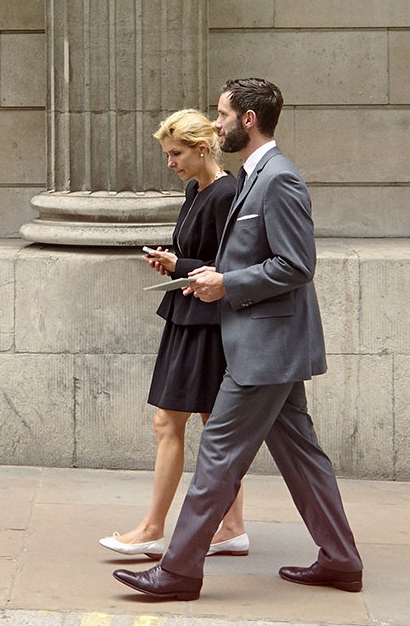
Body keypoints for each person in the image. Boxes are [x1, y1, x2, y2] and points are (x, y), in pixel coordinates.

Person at [113, 78, 364, 601]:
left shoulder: (279, 179)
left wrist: (226, 283)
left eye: (223, 114)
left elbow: (297, 265)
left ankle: (178, 571)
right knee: (303, 458)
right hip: (268, 345)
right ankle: (341, 560)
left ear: (249, 120)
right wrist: (199, 273)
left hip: (266, 349)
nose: (218, 122)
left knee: (219, 454)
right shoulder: (255, 177)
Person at [99, 109, 248, 560]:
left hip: (206, 320)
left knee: (172, 422)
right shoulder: (195, 189)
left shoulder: (227, 193)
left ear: (203, 148)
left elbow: (231, 265)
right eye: (168, 154)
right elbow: (195, 250)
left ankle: (152, 529)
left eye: (176, 153)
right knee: (207, 423)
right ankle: (233, 527)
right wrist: (172, 259)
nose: (171, 163)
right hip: (188, 315)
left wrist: (177, 266)